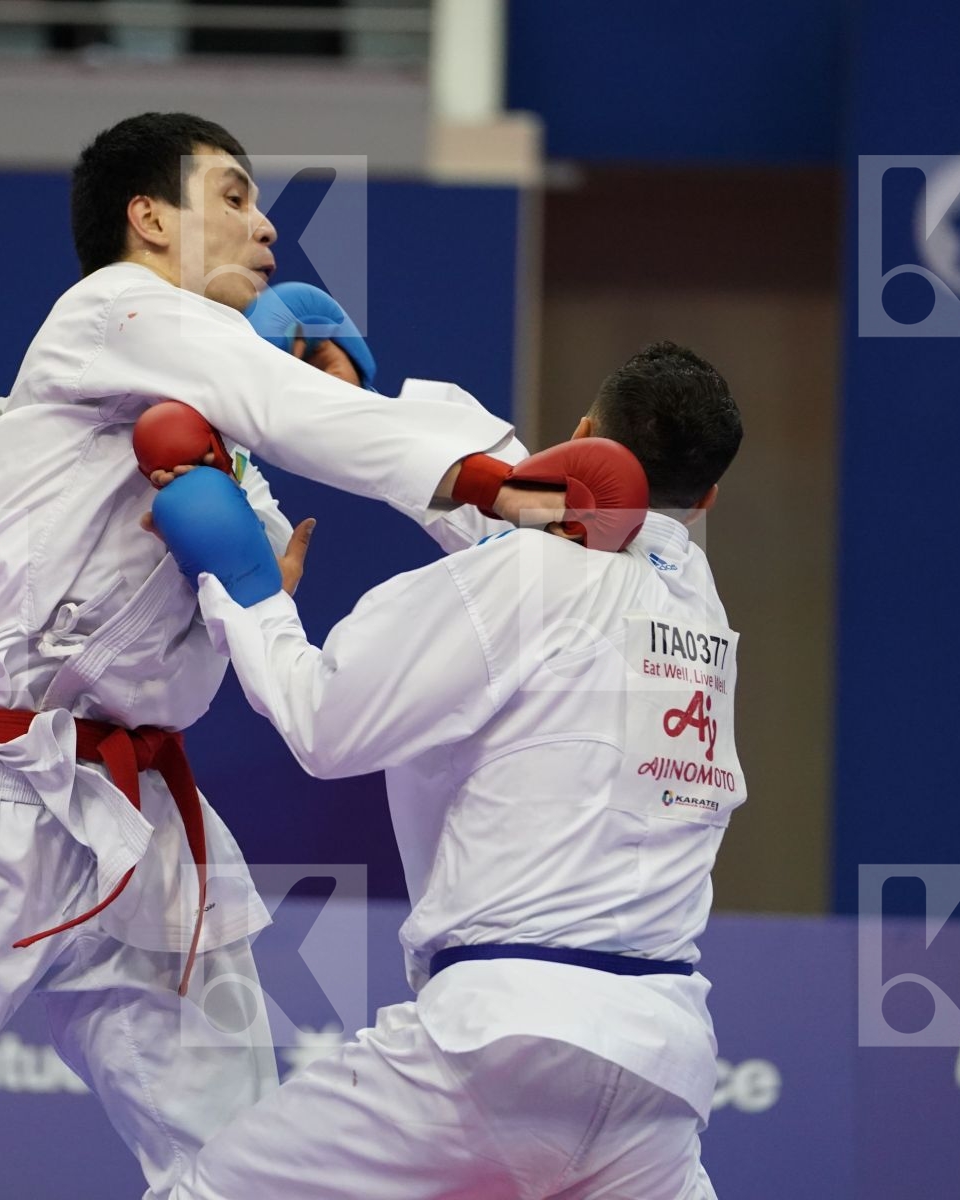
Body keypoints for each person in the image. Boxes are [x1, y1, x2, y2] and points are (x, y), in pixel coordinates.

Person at [0, 111, 546, 1199]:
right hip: (4, 799)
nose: (266, 228)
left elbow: (255, 564)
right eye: (232, 196)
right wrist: (496, 481)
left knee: (236, 1167)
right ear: (148, 216)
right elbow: (279, 406)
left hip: (149, 828)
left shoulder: (201, 415)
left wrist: (293, 452)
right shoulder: (108, 310)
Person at [157, 341, 746, 1200]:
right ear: (708, 502)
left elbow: (325, 724)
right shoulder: (698, 594)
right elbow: (525, 499)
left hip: (500, 1046)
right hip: (660, 1080)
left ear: (583, 434)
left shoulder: (530, 572)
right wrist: (355, 415)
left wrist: (248, 594)